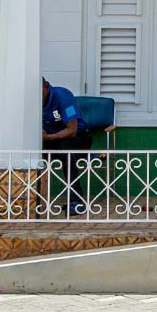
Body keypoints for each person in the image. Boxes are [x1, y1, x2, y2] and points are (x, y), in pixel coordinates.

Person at [41, 77, 93, 216]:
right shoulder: (30, 100)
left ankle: (76, 201)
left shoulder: (64, 97)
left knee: (66, 152)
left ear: (46, 86)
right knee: (30, 151)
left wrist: (49, 137)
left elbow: (72, 130)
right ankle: (33, 200)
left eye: (38, 92)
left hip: (78, 137)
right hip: (50, 140)